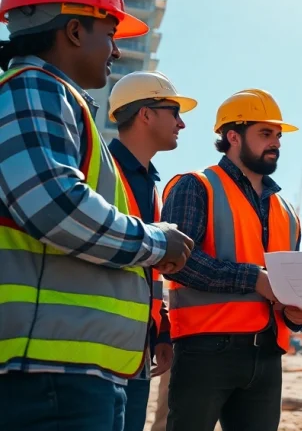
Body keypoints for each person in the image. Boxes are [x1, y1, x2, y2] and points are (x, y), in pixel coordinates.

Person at [0, 0, 194, 430]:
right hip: (47, 371)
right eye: (109, 33)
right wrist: (157, 242)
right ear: (73, 31)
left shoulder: (59, 103)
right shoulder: (35, 87)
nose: (116, 51)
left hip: (72, 369)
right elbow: (53, 205)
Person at [160, 89, 302, 431]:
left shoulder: (286, 211)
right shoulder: (196, 186)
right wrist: (254, 278)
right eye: (265, 133)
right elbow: (177, 262)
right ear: (233, 136)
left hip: (268, 354)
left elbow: (290, 283)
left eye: (278, 135)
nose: (276, 143)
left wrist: (296, 313)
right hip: (205, 349)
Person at [107, 71, 198, 431]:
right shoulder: (103, 173)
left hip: (138, 347)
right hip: (100, 343)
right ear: (145, 114)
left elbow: (151, 272)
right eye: (174, 112)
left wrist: (160, 331)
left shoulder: (151, 185)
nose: (181, 124)